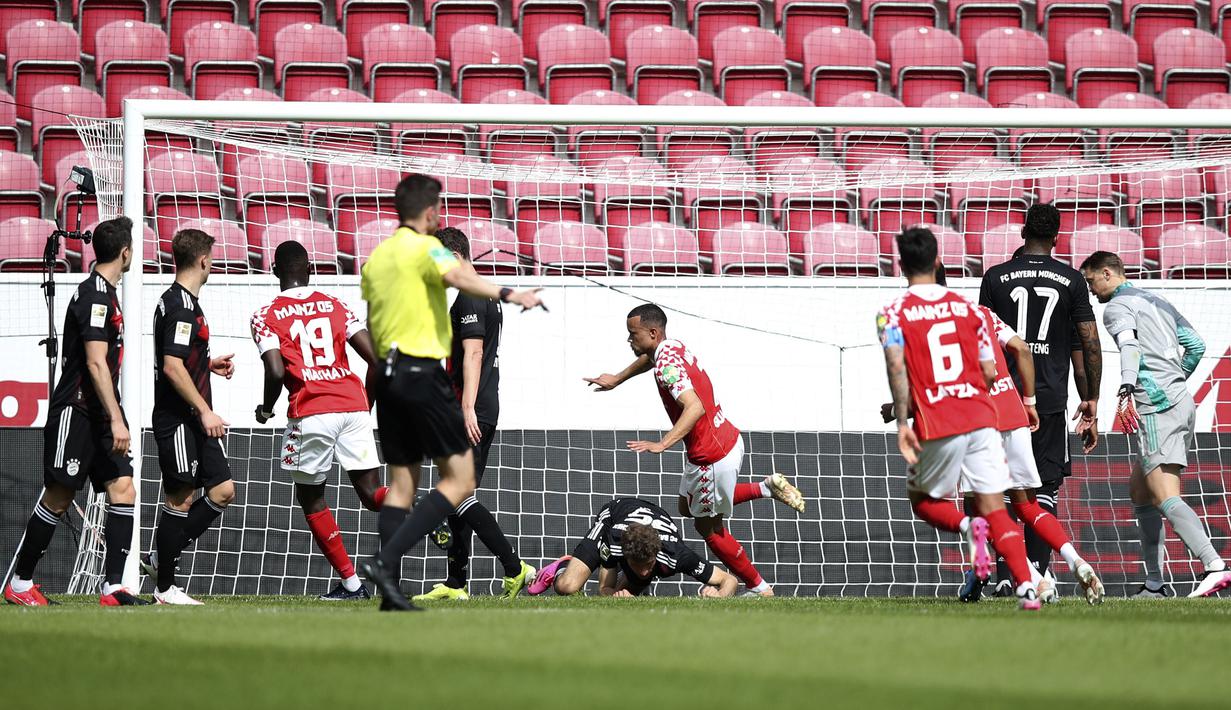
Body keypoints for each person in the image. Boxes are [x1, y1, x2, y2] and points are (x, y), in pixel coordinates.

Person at [358, 174, 543, 611]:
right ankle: (386, 560)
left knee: (402, 485)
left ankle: (390, 594)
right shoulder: (427, 247)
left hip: (387, 375)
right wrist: (511, 292)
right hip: (423, 376)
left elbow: (372, 320)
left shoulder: (378, 257)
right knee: (460, 481)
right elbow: (461, 276)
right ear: (428, 212)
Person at [583, 304, 806, 597]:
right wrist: (617, 378)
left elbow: (695, 406)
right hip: (723, 438)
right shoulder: (669, 347)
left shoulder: (666, 366)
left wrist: (663, 443)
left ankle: (759, 588)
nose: (629, 340)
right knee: (685, 507)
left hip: (710, 457)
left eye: (632, 334)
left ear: (652, 332)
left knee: (708, 528)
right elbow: (649, 359)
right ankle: (765, 488)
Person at [878, 227, 1039, 611]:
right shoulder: (971, 310)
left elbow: (897, 371)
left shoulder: (891, 314)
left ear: (900, 265)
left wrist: (903, 422)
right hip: (984, 418)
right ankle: (1027, 589)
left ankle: (969, 528)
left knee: (922, 501)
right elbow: (988, 371)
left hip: (938, 420)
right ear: (937, 261)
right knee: (996, 506)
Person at [3, 218, 147, 607]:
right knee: (60, 496)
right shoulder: (95, 296)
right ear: (125, 252)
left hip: (100, 413)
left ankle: (113, 587)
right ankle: (19, 583)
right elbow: (96, 364)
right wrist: (118, 418)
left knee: (123, 488)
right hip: (78, 411)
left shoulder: (106, 295)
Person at [1080, 251, 1231, 598]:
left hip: (1154, 406)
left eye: (1091, 282)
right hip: (1181, 402)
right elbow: (1196, 346)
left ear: (1106, 274)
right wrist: (1176, 382)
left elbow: (1129, 346)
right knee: (1141, 491)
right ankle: (1155, 584)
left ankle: (1214, 566)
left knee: (1165, 495)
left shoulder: (1116, 307)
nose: (1090, 291)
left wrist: (1128, 386)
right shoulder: (1157, 300)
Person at [250, 240, 389, 601]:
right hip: (352, 404)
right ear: (310, 268)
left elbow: (276, 370)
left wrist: (266, 410)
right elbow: (377, 358)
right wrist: (363, 406)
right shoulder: (337, 304)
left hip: (312, 409)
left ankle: (351, 584)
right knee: (373, 495)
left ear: (275, 271)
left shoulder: (265, 313)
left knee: (311, 497)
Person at [979, 204, 1102, 591]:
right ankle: (1036, 571)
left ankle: (1008, 577)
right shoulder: (1071, 280)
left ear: (1022, 233)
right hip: (1048, 399)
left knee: (998, 488)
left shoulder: (996, 277)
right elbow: (1089, 342)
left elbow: (982, 338)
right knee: (1043, 488)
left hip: (1002, 398)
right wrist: (1091, 400)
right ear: (1055, 238)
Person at [413, 227, 530, 601]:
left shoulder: (468, 297)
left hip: (471, 407)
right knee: (461, 495)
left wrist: (465, 408)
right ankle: (456, 582)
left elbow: (475, 354)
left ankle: (515, 567)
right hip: (481, 404)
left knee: (456, 493)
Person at [141, 228, 236, 605]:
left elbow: (181, 359)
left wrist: (206, 364)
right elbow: (171, 367)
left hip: (193, 416)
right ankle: (165, 588)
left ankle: (158, 558)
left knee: (222, 491)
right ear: (202, 261)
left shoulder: (181, 301)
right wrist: (205, 409)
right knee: (180, 498)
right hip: (179, 418)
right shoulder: (180, 305)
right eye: (211, 258)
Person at [527, 498, 739, 598]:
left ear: (656, 554)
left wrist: (719, 595)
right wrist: (611, 593)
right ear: (626, 557)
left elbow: (730, 580)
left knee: (624, 598)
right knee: (567, 587)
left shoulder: (677, 554)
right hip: (613, 516)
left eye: (648, 565)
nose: (646, 572)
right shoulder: (615, 542)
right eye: (638, 566)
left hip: (655, 519)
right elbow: (604, 589)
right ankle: (564, 567)